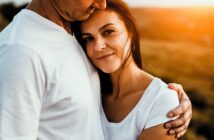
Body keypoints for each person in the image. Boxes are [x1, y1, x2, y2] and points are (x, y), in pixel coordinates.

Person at [0, 0, 191, 139]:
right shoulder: (21, 50)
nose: (101, 4)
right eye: (89, 39)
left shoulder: (71, 31)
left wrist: (168, 98)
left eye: (108, 32)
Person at [72, 0, 191, 139]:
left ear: (131, 33)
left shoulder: (160, 100)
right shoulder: (88, 90)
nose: (98, 46)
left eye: (108, 32)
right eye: (88, 39)